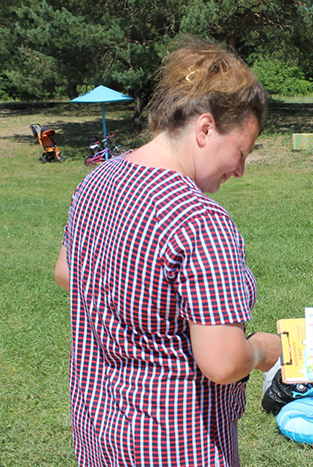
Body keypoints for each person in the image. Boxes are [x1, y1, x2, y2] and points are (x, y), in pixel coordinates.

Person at [53, 39, 281, 467]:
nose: (240, 170)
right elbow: (222, 362)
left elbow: (67, 272)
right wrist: (261, 351)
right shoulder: (200, 220)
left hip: (97, 426)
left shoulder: (98, 180)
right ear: (205, 129)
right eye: (240, 153)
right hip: (175, 442)